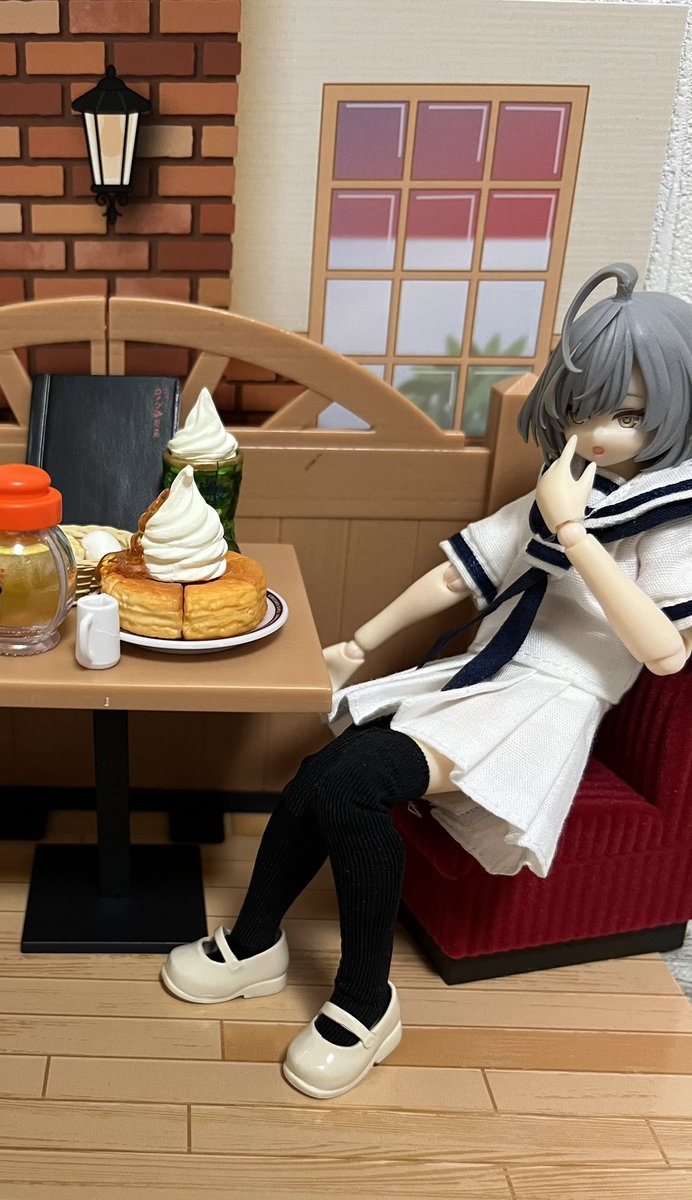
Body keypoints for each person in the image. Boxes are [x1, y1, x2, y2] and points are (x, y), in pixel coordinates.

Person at [160, 263, 692, 1099]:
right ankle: (258, 943)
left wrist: (576, 536)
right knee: (317, 775)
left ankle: (366, 1001)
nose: (597, 434)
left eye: (626, 415)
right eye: (582, 410)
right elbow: (458, 576)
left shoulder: (665, 515)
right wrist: (359, 644)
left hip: (547, 704)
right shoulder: (564, 491)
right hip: (484, 678)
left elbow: (666, 651)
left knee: (353, 786)